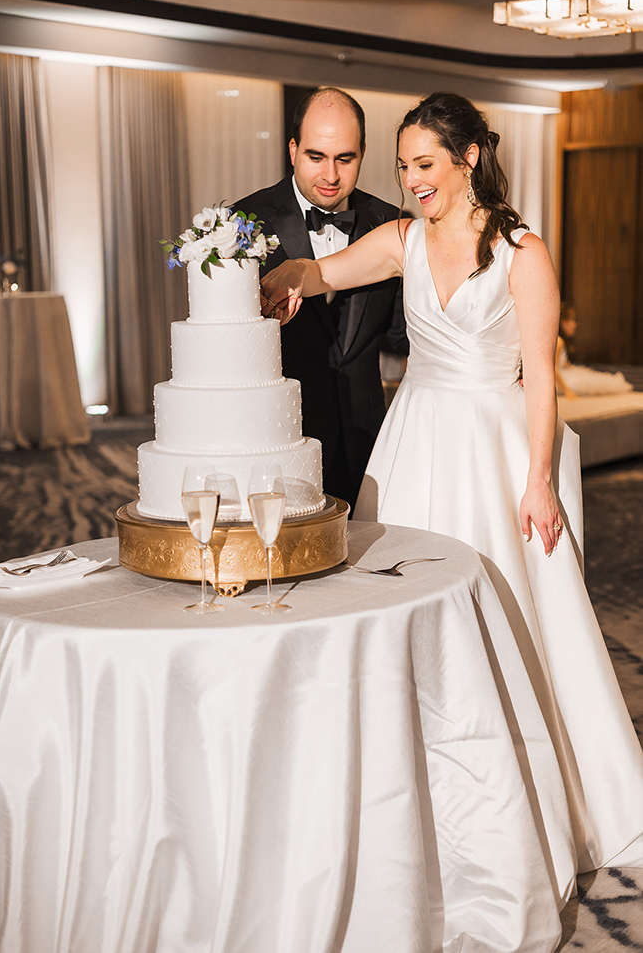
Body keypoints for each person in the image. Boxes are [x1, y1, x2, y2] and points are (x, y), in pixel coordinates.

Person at [262, 92, 643, 952]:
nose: (410, 181)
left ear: (469, 158)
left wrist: (540, 480)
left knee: (513, 622)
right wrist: (284, 277)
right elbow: (324, 272)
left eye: (424, 165)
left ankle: (536, 794)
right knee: (406, 619)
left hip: (494, 451)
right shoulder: (400, 238)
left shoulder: (522, 252)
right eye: (401, 167)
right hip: (414, 447)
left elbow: (542, 381)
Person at [233, 87, 407, 510]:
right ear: (293, 150)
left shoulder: (393, 224)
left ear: (363, 152)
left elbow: (405, 337)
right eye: (316, 157)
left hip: (367, 436)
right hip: (278, 435)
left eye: (345, 159)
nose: (330, 175)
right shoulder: (241, 223)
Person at [556, 303, 634, 398]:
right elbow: (553, 369)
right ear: (563, 323)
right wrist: (566, 390)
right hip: (559, 379)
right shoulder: (558, 342)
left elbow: (565, 365)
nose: (575, 324)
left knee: (590, 376)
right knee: (590, 382)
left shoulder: (561, 341)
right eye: (572, 320)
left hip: (564, 373)